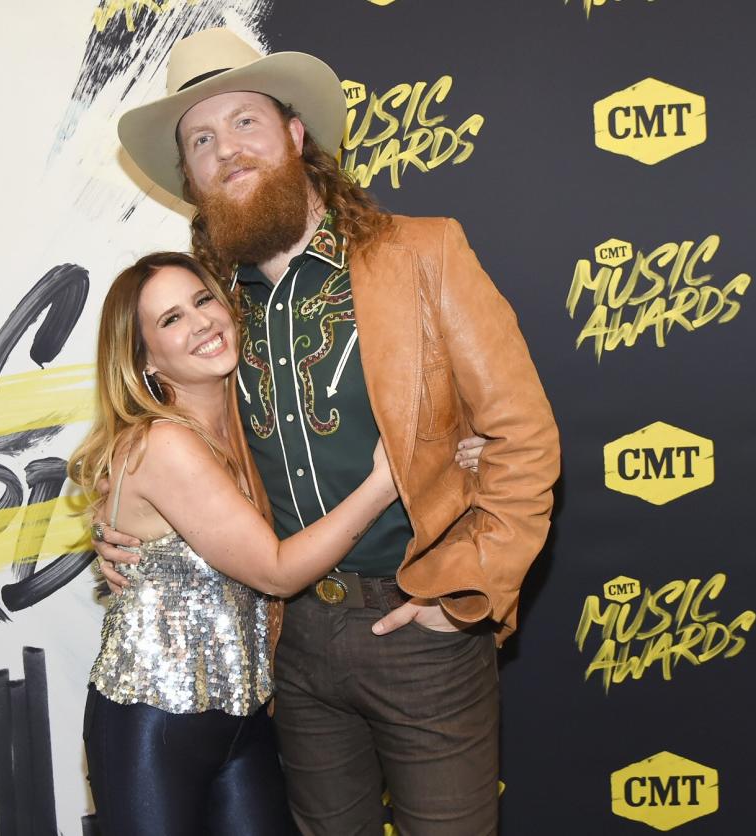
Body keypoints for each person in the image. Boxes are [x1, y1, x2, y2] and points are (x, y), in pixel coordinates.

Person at [98, 27, 560, 835]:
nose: (226, 150)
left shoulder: (422, 253)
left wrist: (464, 594)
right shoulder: (216, 312)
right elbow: (187, 459)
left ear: (294, 135)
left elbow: (522, 437)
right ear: (191, 179)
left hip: (419, 623)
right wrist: (127, 532)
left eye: (243, 122)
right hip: (293, 641)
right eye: (200, 139)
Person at [68, 251, 401, 836]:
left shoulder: (252, 423)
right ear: (144, 358)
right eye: (170, 319)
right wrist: (384, 482)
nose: (200, 323)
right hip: (152, 724)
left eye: (202, 300)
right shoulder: (164, 443)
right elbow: (275, 571)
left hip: (247, 720)